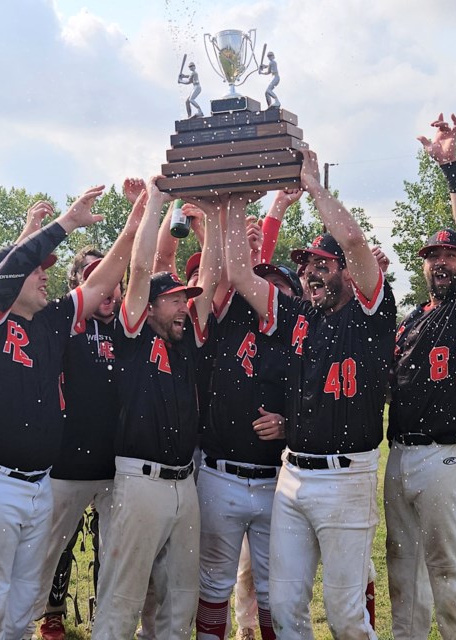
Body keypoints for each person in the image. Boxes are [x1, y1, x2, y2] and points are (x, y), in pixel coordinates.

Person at [0, 185, 144, 639]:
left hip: (37, 485)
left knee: (20, 607)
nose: (44, 277)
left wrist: (134, 222)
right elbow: (13, 267)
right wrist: (65, 223)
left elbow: (99, 282)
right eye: (37, 271)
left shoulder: (51, 320)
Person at [223, 147, 396, 639]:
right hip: (293, 474)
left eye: (322, 263)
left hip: (346, 477)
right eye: (305, 265)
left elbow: (357, 241)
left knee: (345, 616)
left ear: (346, 271)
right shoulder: (299, 316)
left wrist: (314, 188)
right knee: (283, 607)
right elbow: (239, 273)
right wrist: (235, 200)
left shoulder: (369, 313)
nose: (310, 272)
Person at [385, 112, 456, 640]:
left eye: (449, 254)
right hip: (401, 454)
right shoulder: (414, 317)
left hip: (447, 454)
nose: (441, 262)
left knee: (449, 576)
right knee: (403, 581)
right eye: (433, 255)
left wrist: (451, 168)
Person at [92, 177, 222, 640]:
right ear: (149, 307)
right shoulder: (133, 337)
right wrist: (158, 204)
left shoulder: (185, 343)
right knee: (123, 595)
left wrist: (214, 217)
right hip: (139, 479)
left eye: (183, 301)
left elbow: (207, 283)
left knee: (180, 598)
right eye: (173, 301)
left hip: (184, 482)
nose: (183, 308)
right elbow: (142, 266)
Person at [32, 178, 147, 640]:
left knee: (112, 547)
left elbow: (144, 269)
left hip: (117, 460)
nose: (109, 289)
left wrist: (138, 213)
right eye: (96, 279)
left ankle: (106, 617)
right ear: (81, 285)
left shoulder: (128, 328)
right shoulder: (65, 325)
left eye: (112, 280)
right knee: (53, 546)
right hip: (67, 460)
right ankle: (48, 612)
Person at [195, 189, 303, 640]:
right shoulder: (231, 316)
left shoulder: (298, 332)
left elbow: (320, 404)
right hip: (219, 473)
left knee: (273, 590)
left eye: (277, 283)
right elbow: (229, 271)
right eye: (262, 280)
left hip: (273, 479)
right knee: (214, 584)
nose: (266, 288)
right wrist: (224, 211)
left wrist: (289, 425)